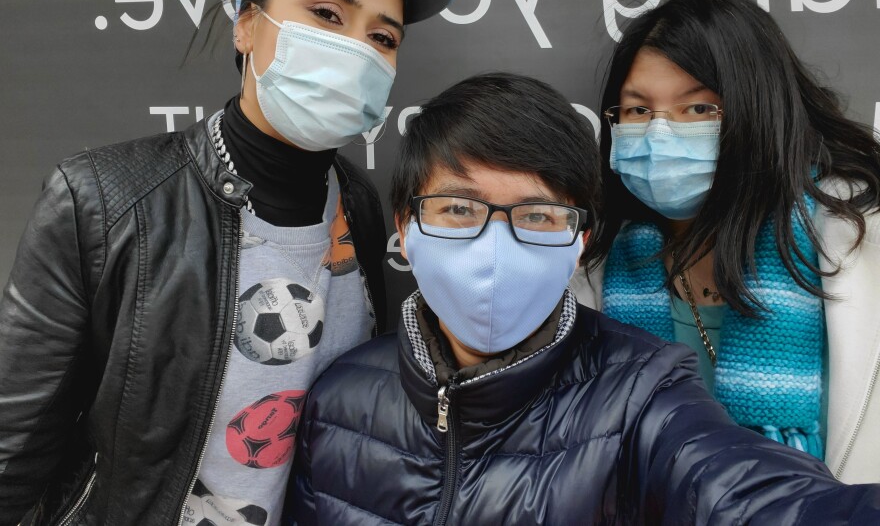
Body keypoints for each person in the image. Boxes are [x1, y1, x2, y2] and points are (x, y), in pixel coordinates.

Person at [0, 0, 457, 525]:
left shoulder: (360, 205)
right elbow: (15, 447)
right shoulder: (104, 201)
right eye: (326, 13)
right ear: (246, 24)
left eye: (383, 37)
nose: (356, 48)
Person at [286, 72, 880, 525]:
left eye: (537, 214)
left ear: (579, 241)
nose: (495, 242)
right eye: (459, 208)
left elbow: (753, 495)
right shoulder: (339, 397)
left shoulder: (642, 392)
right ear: (406, 228)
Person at [571, 0, 880, 483]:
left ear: (759, 111)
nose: (659, 135)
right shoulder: (594, 272)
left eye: (697, 110)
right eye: (637, 111)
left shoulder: (856, 240)